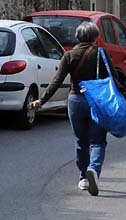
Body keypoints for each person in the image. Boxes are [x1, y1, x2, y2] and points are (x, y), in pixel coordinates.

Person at [30, 21, 117, 196]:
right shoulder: (101, 53)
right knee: (98, 140)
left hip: (76, 100)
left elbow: (57, 80)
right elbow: (113, 77)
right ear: (95, 37)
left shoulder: (69, 56)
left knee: (80, 140)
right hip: (97, 101)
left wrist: (42, 100)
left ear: (78, 37)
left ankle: (83, 178)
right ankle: (93, 169)